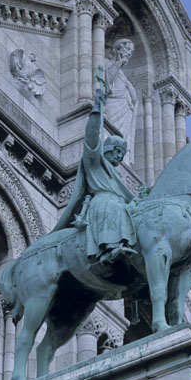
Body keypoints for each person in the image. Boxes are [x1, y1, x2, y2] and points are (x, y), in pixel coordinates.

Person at [52, 86, 137, 264]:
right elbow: (91, 135)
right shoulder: (95, 162)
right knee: (113, 205)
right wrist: (97, 108)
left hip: (119, 204)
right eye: (116, 151)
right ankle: (107, 249)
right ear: (107, 149)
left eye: (122, 153)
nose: (120, 156)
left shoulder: (118, 176)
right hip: (103, 203)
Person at [104, 38, 138, 164]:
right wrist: (118, 63)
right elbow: (105, 84)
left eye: (131, 51)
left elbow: (133, 99)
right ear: (118, 48)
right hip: (112, 107)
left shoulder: (123, 75)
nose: (129, 53)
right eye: (128, 49)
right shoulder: (106, 62)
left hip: (125, 112)